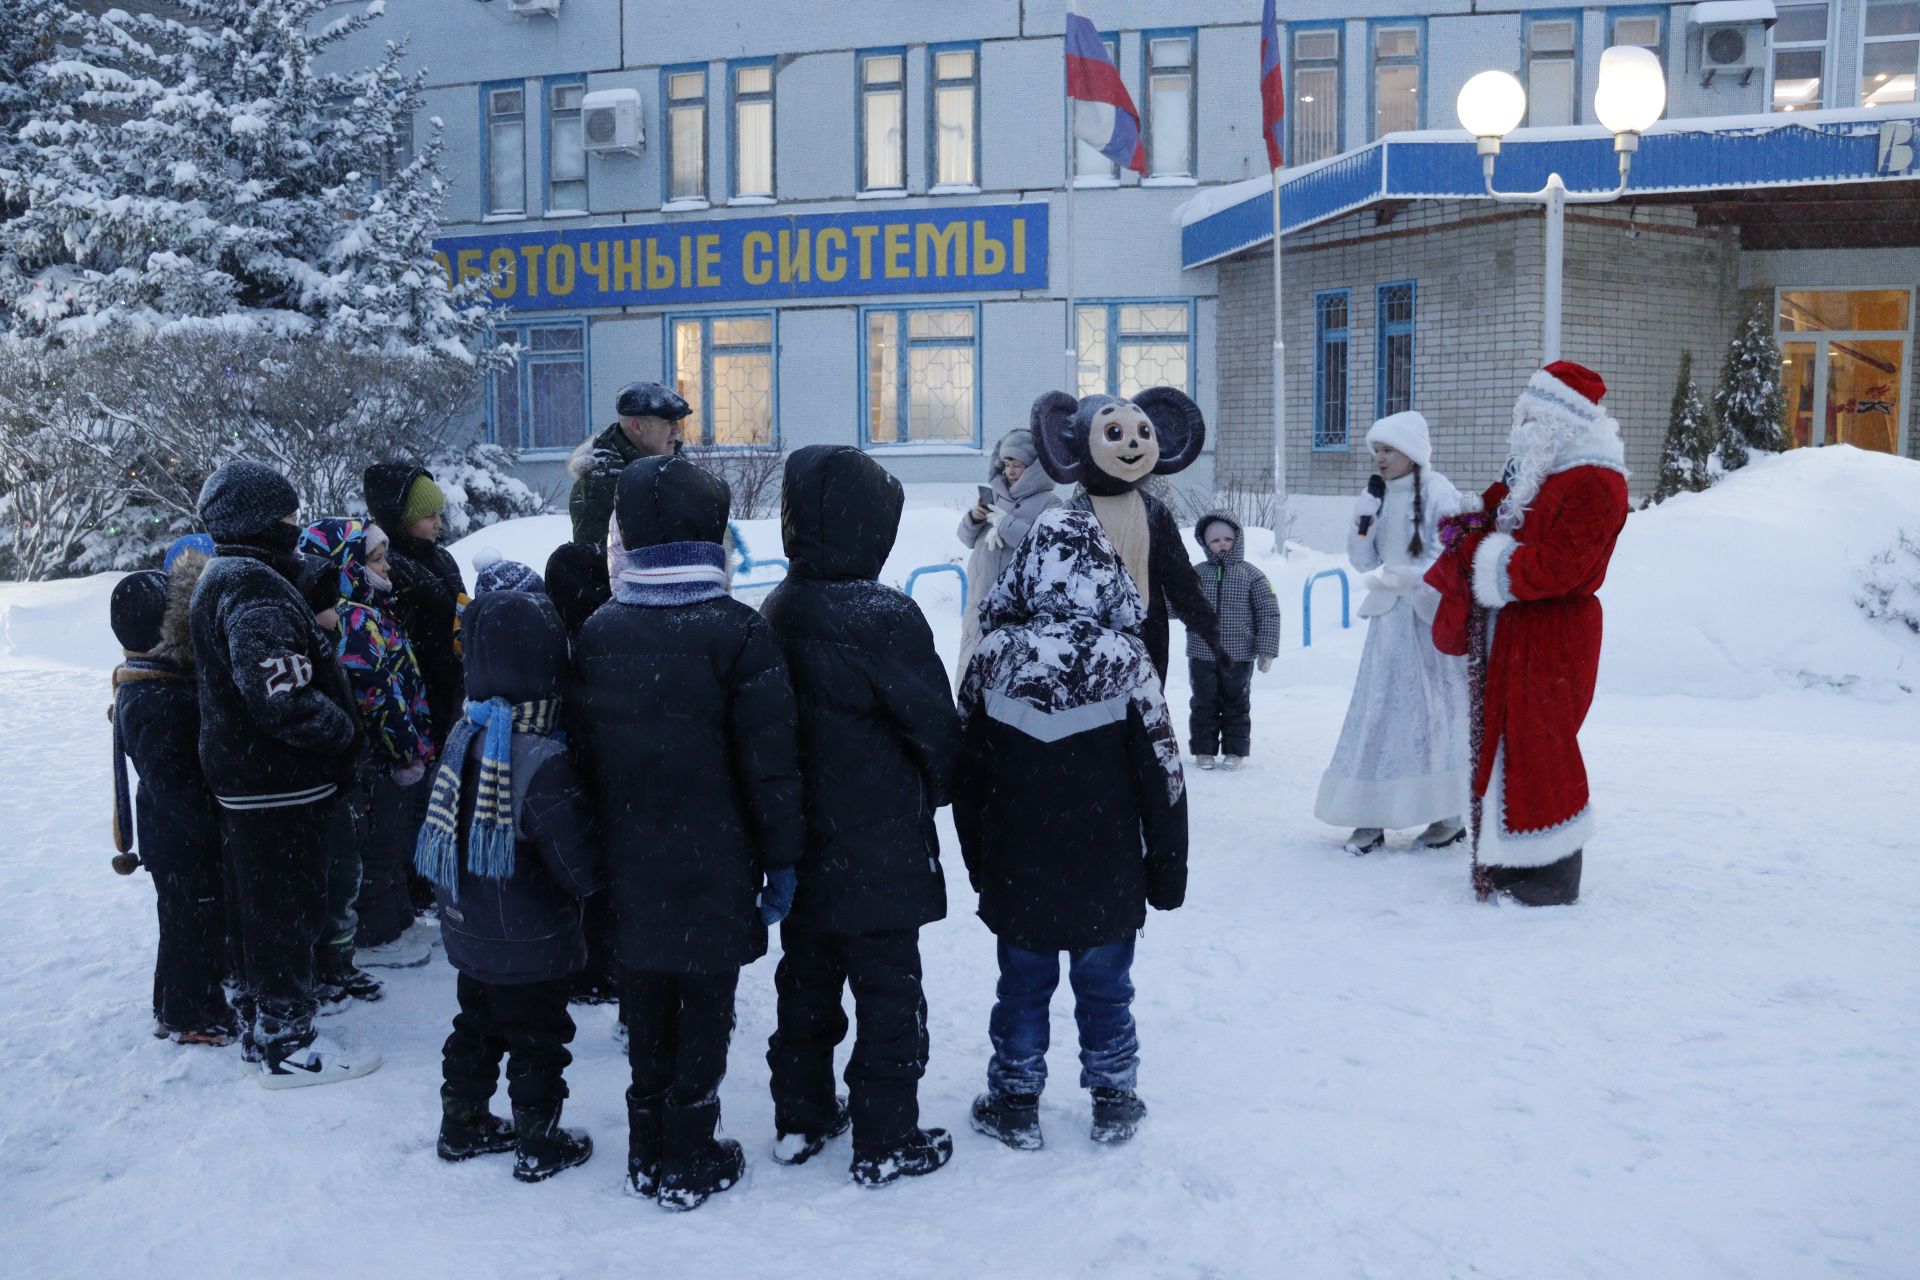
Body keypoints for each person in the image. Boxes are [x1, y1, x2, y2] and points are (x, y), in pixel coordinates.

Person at [570, 455, 804, 1210]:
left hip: (630, 861)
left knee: (646, 1001)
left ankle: (648, 1149)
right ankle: (690, 1149)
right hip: (718, 863)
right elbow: (771, 766)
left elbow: (582, 756)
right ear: (713, 532)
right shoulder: (737, 631)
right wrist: (782, 858)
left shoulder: (601, 631)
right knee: (706, 1002)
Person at [954, 509, 1188, 1151]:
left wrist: (980, 863)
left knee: (1021, 988)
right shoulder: (1127, 662)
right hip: (1107, 869)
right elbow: (1164, 776)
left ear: (1026, 570)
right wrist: (1166, 873)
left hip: (1018, 867)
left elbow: (966, 777)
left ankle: (1015, 1099)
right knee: (1107, 989)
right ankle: (1114, 1098)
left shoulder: (993, 659)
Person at [760, 445, 962, 1187]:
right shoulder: (883, 616)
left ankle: (802, 1115)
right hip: (879, 846)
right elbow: (933, 726)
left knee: (805, 983)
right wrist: (940, 784)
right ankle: (886, 1134)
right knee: (888, 992)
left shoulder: (778, 607)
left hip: (805, 842)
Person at [189, 460, 378, 1087]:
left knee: (266, 906)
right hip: (274, 783)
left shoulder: (233, 575)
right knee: (284, 907)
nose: (296, 526)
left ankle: (262, 1018)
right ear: (262, 520)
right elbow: (280, 696)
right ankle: (286, 1041)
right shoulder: (252, 588)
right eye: (288, 515)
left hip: (254, 779)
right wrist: (342, 731)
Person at [1423, 362, 1631, 906]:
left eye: (1531, 415)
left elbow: (1565, 568)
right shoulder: (1541, 470)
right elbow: (1499, 515)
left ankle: (1552, 871)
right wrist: (1469, 523)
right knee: (1506, 742)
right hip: (1513, 630)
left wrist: (1481, 558)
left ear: (1563, 420)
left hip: (1554, 635)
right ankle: (1508, 857)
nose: (1520, 423)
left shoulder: (1595, 480)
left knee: (1543, 744)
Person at [415, 591, 604, 1183]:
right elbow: (576, 865)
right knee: (538, 1038)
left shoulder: (462, 737)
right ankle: (536, 1140)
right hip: (534, 940)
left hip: (469, 932)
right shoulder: (541, 757)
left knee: (475, 1023)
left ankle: (462, 1122)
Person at [1315, 412, 1472, 856]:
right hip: (1389, 625)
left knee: (1431, 716)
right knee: (1380, 712)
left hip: (1428, 623)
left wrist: (1413, 579)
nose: (1380, 459)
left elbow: (1454, 555)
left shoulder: (1440, 493)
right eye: (1376, 451)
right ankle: (1370, 814)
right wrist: (1362, 522)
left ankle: (1447, 814)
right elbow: (1364, 563)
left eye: (1388, 450)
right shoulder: (1376, 496)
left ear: (1412, 452)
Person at [298, 517, 434, 981]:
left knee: (391, 843)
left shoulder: (369, 606)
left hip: (392, 751)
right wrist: (404, 750)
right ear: (346, 565)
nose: (388, 566)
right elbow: (375, 693)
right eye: (375, 559)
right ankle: (377, 934)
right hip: (379, 757)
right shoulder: (350, 617)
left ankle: (395, 920)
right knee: (380, 845)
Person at [110, 552, 232, 1045]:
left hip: (177, 836)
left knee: (187, 923)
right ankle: (190, 1016)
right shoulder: (154, 698)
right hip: (181, 840)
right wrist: (212, 826)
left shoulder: (154, 683)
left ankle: (173, 1007)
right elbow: (174, 783)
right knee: (190, 928)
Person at [1029, 388, 1220, 684]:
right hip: (1090, 634)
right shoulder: (1072, 516)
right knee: (1100, 712)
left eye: (1143, 431)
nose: (1133, 442)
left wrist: (1206, 626)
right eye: (1114, 432)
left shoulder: (1154, 512)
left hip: (1148, 629)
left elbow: (1178, 576)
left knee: (1147, 707)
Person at [362, 463, 468, 748]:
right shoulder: (387, 568)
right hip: (419, 693)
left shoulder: (441, 559)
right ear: (399, 519)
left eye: (439, 514)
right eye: (428, 516)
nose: (438, 523)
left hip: (454, 686)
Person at [956, 428, 1061, 673]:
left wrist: (1005, 524)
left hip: (1018, 606)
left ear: (1034, 467)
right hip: (979, 602)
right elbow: (964, 538)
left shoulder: (1050, 503)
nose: (1010, 471)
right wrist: (973, 518)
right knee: (973, 671)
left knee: (1011, 673)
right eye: (1006, 463)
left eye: (1018, 465)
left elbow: (1045, 547)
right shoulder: (994, 496)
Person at [1185, 511, 1281, 771]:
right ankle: (1204, 751)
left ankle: (1235, 751)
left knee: (1236, 703)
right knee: (1203, 702)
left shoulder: (1252, 575)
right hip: (1201, 652)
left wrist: (1266, 650)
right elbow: (1178, 604)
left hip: (1238, 655)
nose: (1222, 544)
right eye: (1215, 540)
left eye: (1228, 538)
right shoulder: (1196, 574)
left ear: (1237, 539)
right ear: (1205, 544)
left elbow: (1268, 612)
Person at [567, 381, 693, 546]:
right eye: (668, 422)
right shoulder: (600, 485)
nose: (677, 430)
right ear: (637, 427)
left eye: (676, 423)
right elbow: (595, 562)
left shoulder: (680, 464)